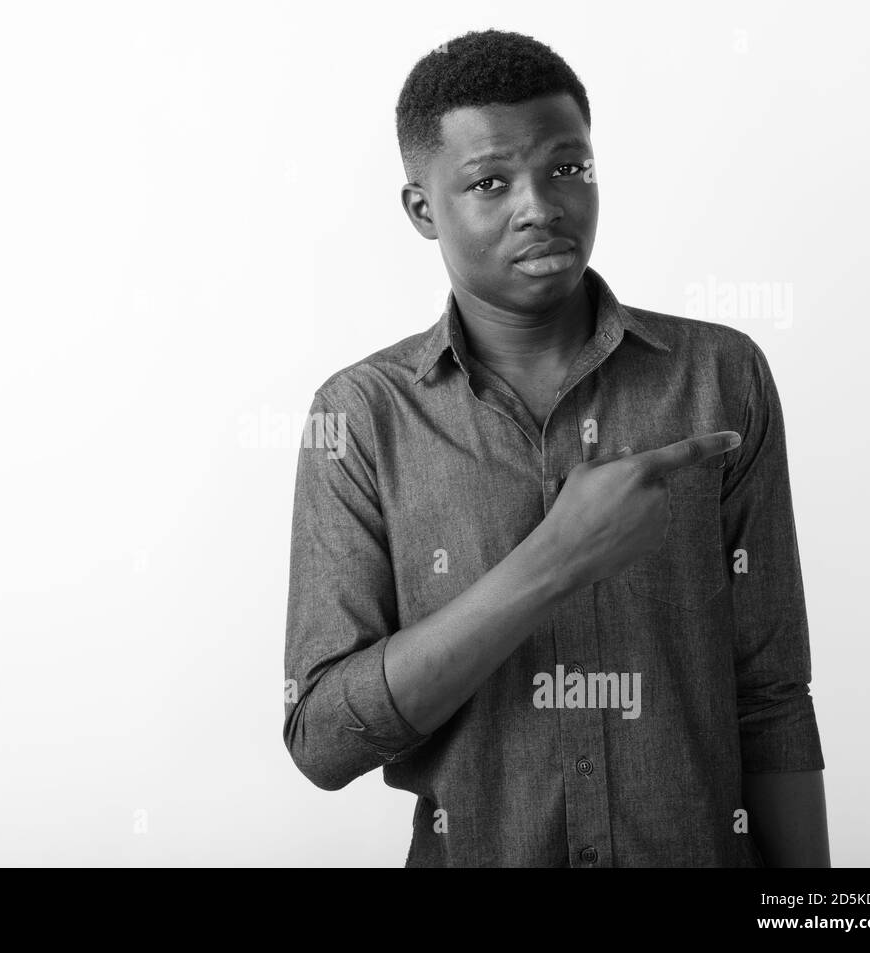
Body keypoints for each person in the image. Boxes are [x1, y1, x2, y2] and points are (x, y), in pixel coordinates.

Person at [282, 28, 829, 867]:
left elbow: (773, 696)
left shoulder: (721, 379)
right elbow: (322, 738)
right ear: (423, 209)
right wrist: (555, 561)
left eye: (568, 168)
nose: (540, 204)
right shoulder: (361, 417)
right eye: (489, 181)